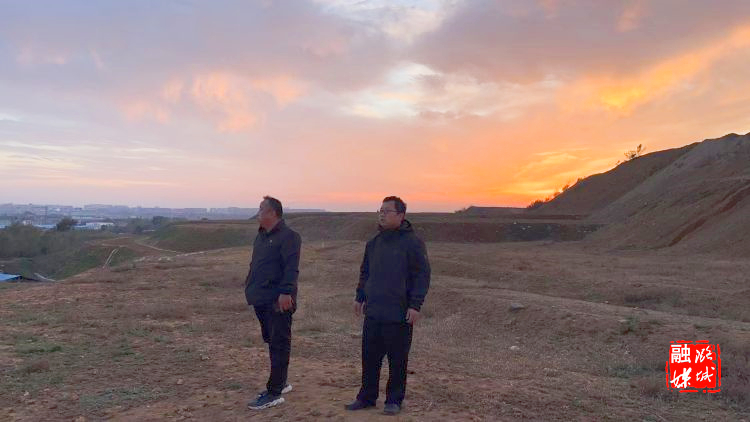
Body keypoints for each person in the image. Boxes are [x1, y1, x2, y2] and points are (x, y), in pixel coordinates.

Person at [345, 196, 431, 415]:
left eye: (387, 211)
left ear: (401, 215)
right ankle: (366, 397)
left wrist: (415, 305)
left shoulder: (413, 243)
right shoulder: (373, 243)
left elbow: (422, 276)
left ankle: (394, 400)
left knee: (397, 360)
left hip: (399, 312)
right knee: (369, 358)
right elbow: (365, 272)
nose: (382, 215)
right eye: (380, 211)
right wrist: (360, 296)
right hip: (374, 311)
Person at [245, 196, 301, 410]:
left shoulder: (289, 237)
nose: (258, 213)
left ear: (273, 213)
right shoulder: (260, 236)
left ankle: (274, 392)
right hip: (261, 298)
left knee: (279, 343)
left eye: (261, 209)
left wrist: (286, 292)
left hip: (278, 301)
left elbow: (291, 267)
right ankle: (281, 382)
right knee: (272, 341)